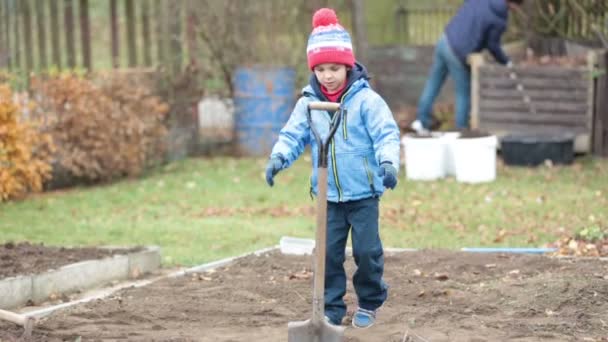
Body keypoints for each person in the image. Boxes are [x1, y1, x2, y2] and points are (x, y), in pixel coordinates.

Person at [264, 8, 401, 329]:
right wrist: (279, 158)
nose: (328, 75)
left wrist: (388, 162)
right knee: (327, 255)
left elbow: (386, 133)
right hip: (328, 195)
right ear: (314, 70)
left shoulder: (366, 100)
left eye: (335, 68)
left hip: (364, 193)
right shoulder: (308, 103)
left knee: (367, 253)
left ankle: (370, 300)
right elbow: (293, 134)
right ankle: (331, 310)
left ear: (348, 65)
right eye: (322, 69)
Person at [411, 0, 525, 134]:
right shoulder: (499, 18)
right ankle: (461, 130)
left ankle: (421, 122)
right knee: (463, 93)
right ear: (513, 5)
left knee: (433, 83)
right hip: (458, 52)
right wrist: (506, 61)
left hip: (445, 39)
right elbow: (493, 45)